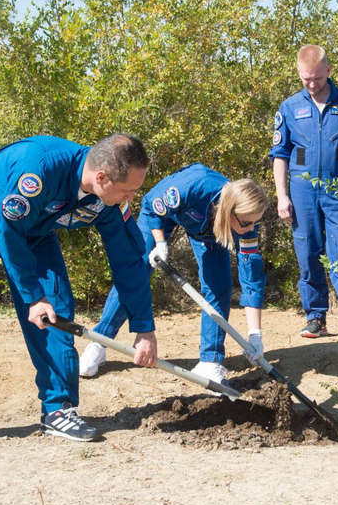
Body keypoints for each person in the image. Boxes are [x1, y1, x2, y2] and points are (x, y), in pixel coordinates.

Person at [0, 134, 159, 446]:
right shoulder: (38, 170)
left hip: (34, 228)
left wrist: (144, 327)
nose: (132, 196)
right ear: (102, 178)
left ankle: (58, 410)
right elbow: (7, 232)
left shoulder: (109, 200)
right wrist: (33, 298)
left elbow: (128, 261)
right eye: (128, 189)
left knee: (58, 312)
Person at [79, 163, 268, 385]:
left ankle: (210, 361)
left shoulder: (246, 224)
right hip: (162, 215)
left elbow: (251, 277)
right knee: (136, 272)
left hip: (210, 230)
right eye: (246, 223)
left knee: (218, 287)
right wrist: (160, 244)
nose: (250, 229)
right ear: (229, 211)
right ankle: (100, 342)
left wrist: (255, 333)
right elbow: (151, 206)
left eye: (256, 223)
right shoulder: (191, 187)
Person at [270, 44, 338, 338]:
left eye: (317, 78)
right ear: (299, 74)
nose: (312, 84)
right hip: (302, 192)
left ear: (328, 71)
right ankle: (316, 316)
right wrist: (282, 196)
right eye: (306, 79)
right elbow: (280, 154)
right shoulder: (289, 107)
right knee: (307, 254)